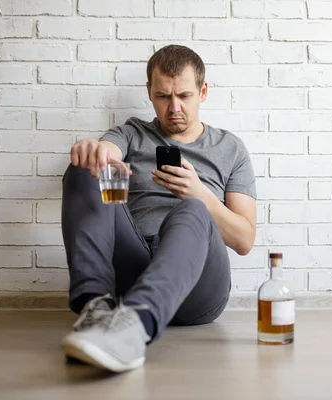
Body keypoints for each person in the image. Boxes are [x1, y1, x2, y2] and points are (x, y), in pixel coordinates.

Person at [60, 44, 257, 373]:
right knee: (85, 169)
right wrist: (96, 152)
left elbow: (244, 240)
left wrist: (200, 194)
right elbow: (108, 150)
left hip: (198, 284)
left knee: (192, 210)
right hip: (135, 264)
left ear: (203, 92)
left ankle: (135, 325)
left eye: (184, 95)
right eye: (164, 96)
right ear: (149, 92)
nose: (174, 107)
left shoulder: (230, 148)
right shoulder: (132, 133)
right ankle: (95, 307)